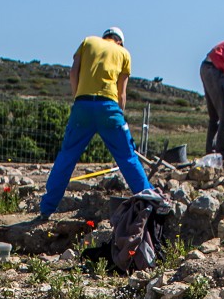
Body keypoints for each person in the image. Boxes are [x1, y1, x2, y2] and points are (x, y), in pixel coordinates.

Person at [39, 27, 158, 218]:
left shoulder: (88, 42)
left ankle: (47, 208)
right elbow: (122, 93)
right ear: (119, 41)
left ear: (105, 38)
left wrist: (78, 99)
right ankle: (149, 202)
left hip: (82, 106)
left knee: (67, 156)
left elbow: (73, 73)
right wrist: (119, 114)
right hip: (108, 108)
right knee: (127, 156)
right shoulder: (123, 53)